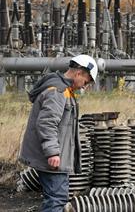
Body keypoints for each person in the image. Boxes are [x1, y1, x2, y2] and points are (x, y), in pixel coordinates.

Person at [19, 54, 98, 212]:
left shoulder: (64, 89)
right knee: (57, 199)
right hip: (53, 159)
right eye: (86, 81)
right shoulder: (58, 91)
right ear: (79, 73)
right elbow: (47, 123)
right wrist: (52, 152)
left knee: (56, 198)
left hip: (55, 157)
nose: (84, 86)